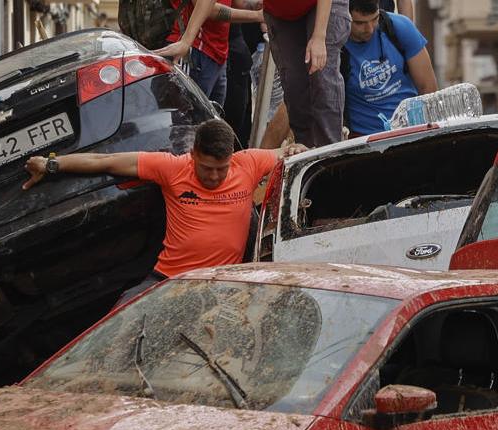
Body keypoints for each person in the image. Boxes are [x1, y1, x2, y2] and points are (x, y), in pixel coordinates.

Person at [21, 119, 304, 299]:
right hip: (169, 280)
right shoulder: (172, 167)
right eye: (207, 168)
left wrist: (296, 149)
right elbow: (104, 161)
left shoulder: (248, 163)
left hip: (222, 284)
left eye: (222, 169)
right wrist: (51, 165)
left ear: (232, 158)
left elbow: (292, 153)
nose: (215, 176)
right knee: (122, 316)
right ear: (193, 154)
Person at [238, 0, 349, 147]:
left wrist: (319, 36)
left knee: (321, 74)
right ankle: (304, 149)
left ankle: (330, 151)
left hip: (324, 6)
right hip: (281, 13)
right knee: (293, 84)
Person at [340, 0, 436, 135]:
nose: (370, 29)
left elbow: (428, 87)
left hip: (410, 129)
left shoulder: (400, 27)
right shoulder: (336, 45)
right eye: (360, 23)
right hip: (364, 138)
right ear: (344, 17)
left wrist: (425, 130)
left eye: (375, 19)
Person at [156, 0, 263, 106]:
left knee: (212, 118)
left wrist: (258, 5)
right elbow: (209, 9)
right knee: (189, 118)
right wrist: (257, 15)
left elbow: (239, 2)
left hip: (218, 55)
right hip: (194, 52)